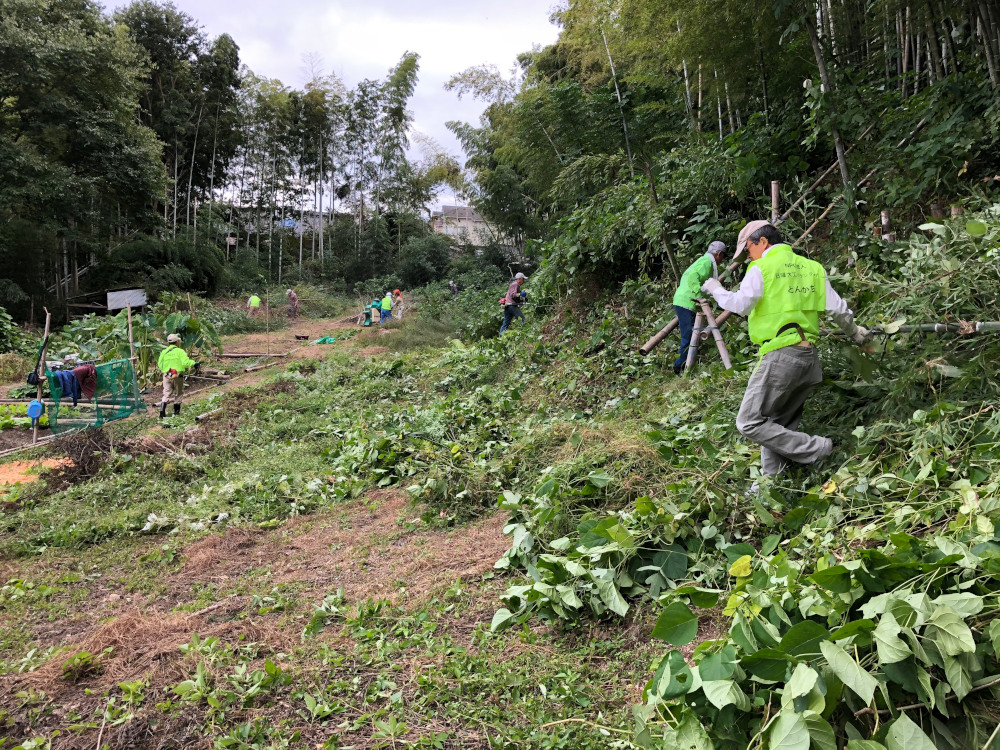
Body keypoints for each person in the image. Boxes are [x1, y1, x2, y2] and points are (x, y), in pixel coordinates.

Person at [700, 220, 869, 486]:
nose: (748, 257)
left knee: (749, 422)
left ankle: (818, 448)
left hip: (781, 355)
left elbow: (741, 304)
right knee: (776, 422)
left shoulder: (762, 267)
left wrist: (716, 290)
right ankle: (771, 482)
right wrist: (856, 334)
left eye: (748, 250)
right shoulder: (812, 268)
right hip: (808, 359)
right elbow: (837, 310)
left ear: (763, 242)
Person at [672, 240, 727, 374]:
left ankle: (687, 365)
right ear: (719, 254)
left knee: (692, 335)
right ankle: (680, 367)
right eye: (723, 256)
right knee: (688, 336)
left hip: (686, 301)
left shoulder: (704, 261)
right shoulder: (706, 262)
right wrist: (699, 296)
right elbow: (693, 277)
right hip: (686, 301)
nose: (722, 260)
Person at [156, 333, 196, 419]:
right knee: (178, 393)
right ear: (177, 342)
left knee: (166, 392)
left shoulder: (164, 352)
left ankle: (162, 410)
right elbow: (185, 363)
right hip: (177, 375)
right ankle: (176, 413)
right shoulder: (180, 351)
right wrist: (194, 363)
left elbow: (159, 364)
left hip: (167, 374)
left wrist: (166, 371)